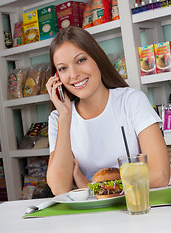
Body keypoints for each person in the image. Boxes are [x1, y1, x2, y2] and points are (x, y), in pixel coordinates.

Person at [46, 26, 170, 196]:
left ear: (97, 59)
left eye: (81, 60)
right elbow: (59, 188)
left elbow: (160, 175)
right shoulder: (58, 118)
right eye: (63, 68)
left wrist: (90, 186)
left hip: (138, 209)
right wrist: (65, 117)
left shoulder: (131, 100)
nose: (73, 74)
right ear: (56, 78)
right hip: (90, 218)